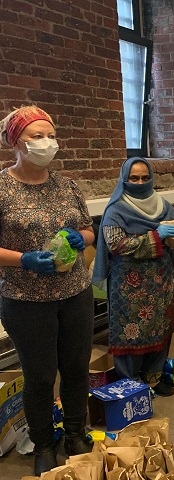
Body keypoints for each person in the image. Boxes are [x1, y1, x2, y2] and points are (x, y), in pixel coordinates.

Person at [0, 106, 95, 475]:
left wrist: (81, 236)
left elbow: (88, 229)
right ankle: (43, 443)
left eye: (50, 135)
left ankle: (75, 433)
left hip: (75, 293)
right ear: (16, 142)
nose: (46, 143)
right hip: (25, 301)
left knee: (75, 368)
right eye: (36, 136)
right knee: (40, 375)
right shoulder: (3, 188)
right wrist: (23, 260)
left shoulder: (68, 186)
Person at [92, 157, 174, 398]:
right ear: (124, 179)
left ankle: (153, 378)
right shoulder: (116, 209)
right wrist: (156, 236)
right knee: (130, 332)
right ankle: (131, 383)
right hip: (128, 286)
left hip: (160, 280)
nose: (140, 182)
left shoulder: (162, 205)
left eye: (145, 177)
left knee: (159, 327)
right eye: (134, 178)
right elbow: (117, 244)